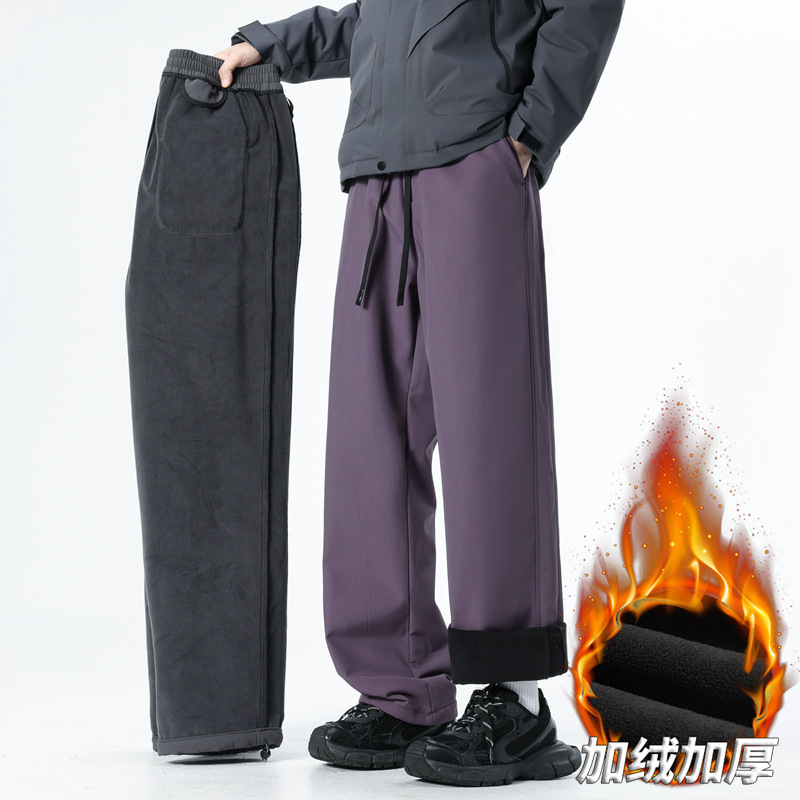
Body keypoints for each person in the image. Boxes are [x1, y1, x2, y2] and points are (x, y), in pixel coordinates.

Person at [214, 0, 625, 787]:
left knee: (489, 435)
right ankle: (401, 690)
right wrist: (268, 45)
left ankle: (516, 697)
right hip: (377, 181)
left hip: (476, 164)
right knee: (367, 442)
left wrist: (532, 134)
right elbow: (371, 23)